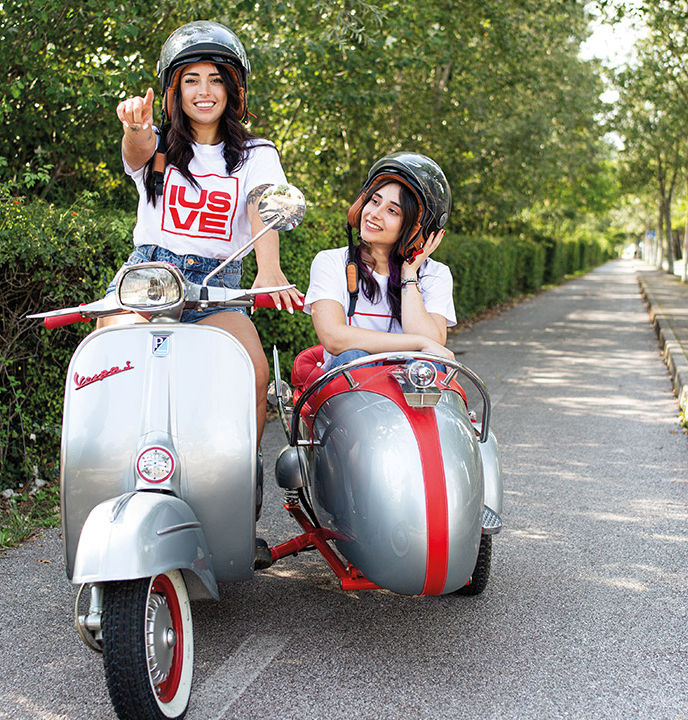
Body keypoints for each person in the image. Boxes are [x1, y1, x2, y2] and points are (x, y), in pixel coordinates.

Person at [106, 20, 303, 446]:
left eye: (216, 79)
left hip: (218, 286)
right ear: (173, 91)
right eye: (191, 80)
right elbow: (136, 150)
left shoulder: (256, 153)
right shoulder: (157, 143)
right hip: (149, 276)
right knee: (108, 355)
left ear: (233, 90)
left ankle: (241, 475)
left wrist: (269, 267)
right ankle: (111, 466)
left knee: (252, 370)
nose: (204, 91)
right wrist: (135, 127)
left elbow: (263, 201)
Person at [304, 152, 455, 371]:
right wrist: (418, 343)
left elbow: (432, 350)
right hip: (349, 386)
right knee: (354, 356)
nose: (374, 213)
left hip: (409, 388)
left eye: (392, 210)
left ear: (415, 229)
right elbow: (334, 338)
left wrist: (409, 273)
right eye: (374, 201)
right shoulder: (331, 262)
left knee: (427, 366)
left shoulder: (435, 274)